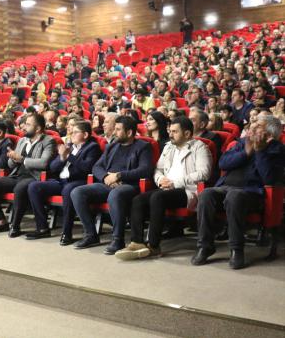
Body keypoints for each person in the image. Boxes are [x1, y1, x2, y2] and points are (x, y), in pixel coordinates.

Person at [192, 115, 285, 269]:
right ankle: (205, 246)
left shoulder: (277, 149)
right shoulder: (242, 143)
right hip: (226, 188)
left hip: (252, 193)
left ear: (270, 132)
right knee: (207, 194)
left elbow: (269, 178)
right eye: (253, 123)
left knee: (234, 195)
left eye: (259, 125)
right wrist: (245, 153)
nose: (253, 126)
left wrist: (260, 151)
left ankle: (236, 249)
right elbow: (223, 163)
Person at [116, 117, 212, 260]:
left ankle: (154, 246)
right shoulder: (168, 147)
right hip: (167, 188)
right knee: (138, 199)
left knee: (157, 197)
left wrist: (175, 182)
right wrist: (160, 179)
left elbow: (204, 173)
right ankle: (137, 242)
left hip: (188, 190)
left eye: (174, 131)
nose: (170, 134)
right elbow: (157, 169)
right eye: (170, 131)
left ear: (186, 134)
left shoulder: (200, 147)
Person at [70, 116, 154, 254]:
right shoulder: (112, 146)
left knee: (115, 195)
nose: (114, 132)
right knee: (77, 192)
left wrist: (119, 175)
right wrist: (105, 178)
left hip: (129, 185)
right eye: (114, 128)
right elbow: (96, 167)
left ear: (129, 132)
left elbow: (145, 169)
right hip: (107, 183)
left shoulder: (143, 147)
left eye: (118, 129)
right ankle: (91, 235)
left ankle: (117, 239)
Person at [26, 121, 102, 244]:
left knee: (68, 190)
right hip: (61, 181)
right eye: (72, 131)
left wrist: (68, 156)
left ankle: (67, 232)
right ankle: (42, 228)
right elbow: (52, 167)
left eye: (76, 132)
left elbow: (87, 168)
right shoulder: (69, 146)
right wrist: (62, 158)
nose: (71, 134)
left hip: (79, 181)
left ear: (86, 134)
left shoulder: (92, 147)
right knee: (34, 186)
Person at [0, 113, 57, 238]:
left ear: (37, 128)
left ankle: (15, 225)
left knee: (20, 188)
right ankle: (1, 221)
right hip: (17, 175)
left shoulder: (48, 141)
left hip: (34, 177)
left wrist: (21, 159)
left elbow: (44, 163)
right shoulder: (22, 140)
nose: (24, 127)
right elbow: (11, 165)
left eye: (28, 124)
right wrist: (12, 158)